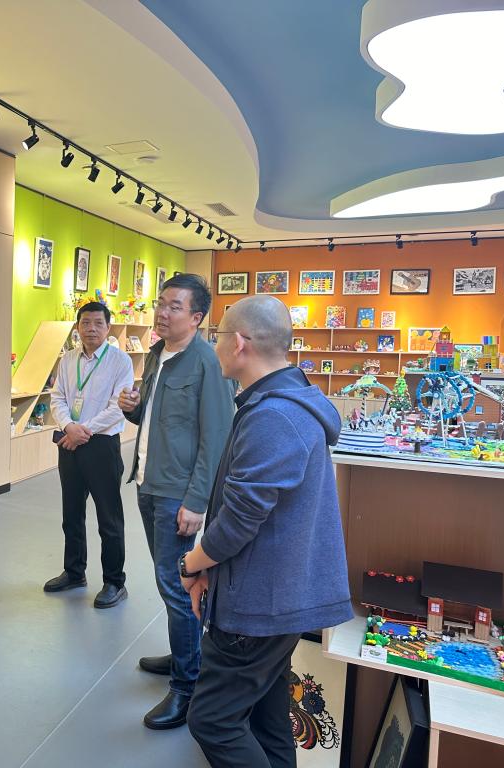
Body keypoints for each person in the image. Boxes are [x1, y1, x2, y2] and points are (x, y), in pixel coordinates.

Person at [181, 295, 353, 768]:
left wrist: (191, 563)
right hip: (275, 593)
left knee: (212, 720)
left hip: (260, 603)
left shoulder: (274, 416)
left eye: (217, 336)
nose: (214, 346)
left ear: (239, 343)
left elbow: (240, 518)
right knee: (267, 716)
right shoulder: (280, 405)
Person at [118, 273, 233, 730]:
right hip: (148, 482)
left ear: (197, 317)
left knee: (177, 586)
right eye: (160, 303)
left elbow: (216, 437)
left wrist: (197, 500)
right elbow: (156, 420)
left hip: (177, 494)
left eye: (174, 306)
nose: (162, 313)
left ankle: (187, 686)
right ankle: (184, 652)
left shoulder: (207, 362)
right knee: (169, 582)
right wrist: (132, 409)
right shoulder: (156, 355)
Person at [45, 301, 135, 608]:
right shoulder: (68, 359)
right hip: (70, 443)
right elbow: (57, 397)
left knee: (109, 518)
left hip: (101, 445)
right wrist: (69, 426)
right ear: (77, 327)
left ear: (108, 328)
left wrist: (83, 431)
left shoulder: (120, 361)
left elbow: (118, 407)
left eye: (98, 323)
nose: (91, 329)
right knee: (71, 514)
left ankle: (114, 582)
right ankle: (74, 572)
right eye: (85, 323)